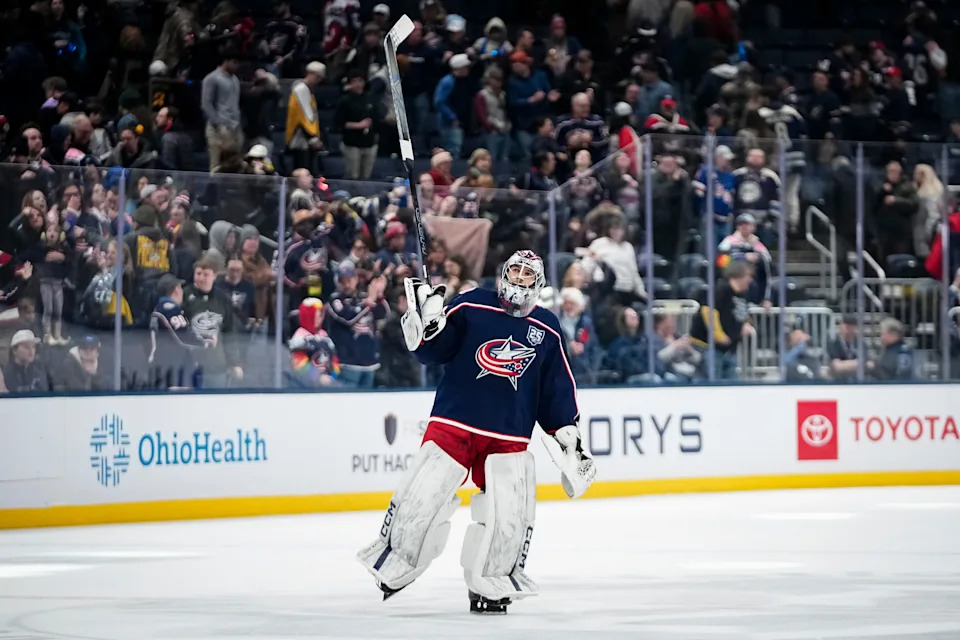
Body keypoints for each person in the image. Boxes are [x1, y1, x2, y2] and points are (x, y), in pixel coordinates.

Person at [357, 250, 596, 613]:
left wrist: (567, 433)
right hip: (456, 419)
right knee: (425, 492)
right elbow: (433, 352)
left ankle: (492, 583)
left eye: (527, 273)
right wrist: (426, 324)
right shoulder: (472, 304)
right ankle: (396, 563)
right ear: (502, 273)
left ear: (539, 282)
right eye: (513, 270)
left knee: (508, 514)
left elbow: (556, 390)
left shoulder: (547, 328)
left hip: (509, 434)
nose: (519, 278)